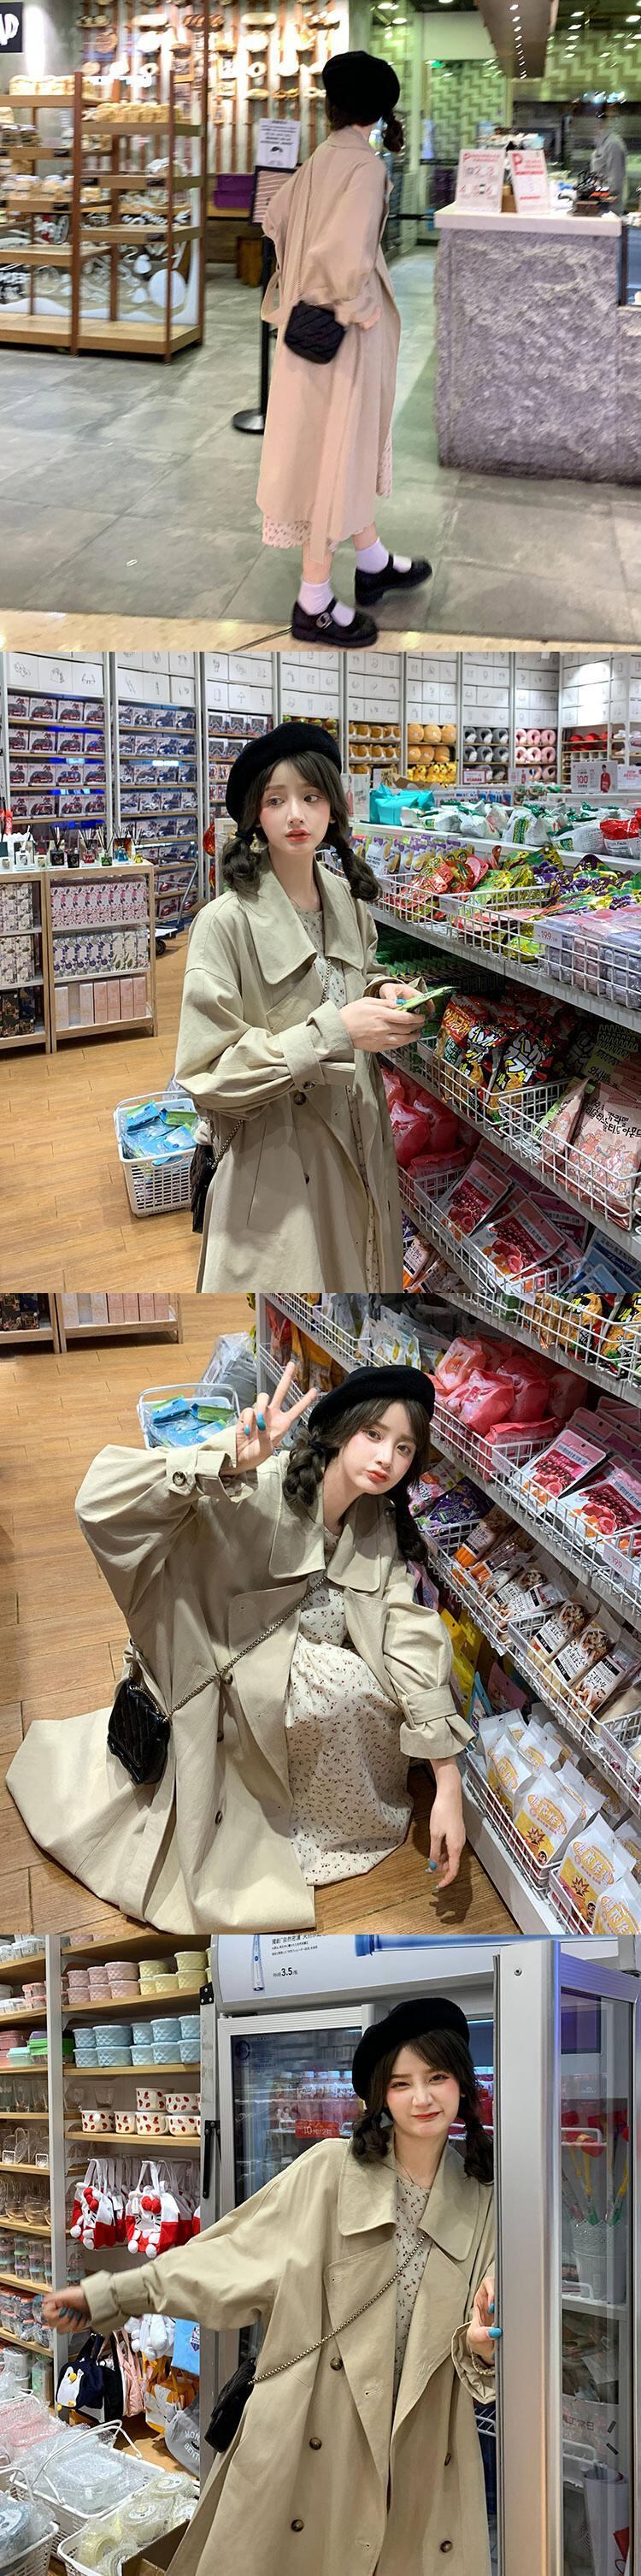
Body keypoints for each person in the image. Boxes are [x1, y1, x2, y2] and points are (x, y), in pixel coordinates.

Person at [43, 1995, 497, 2576]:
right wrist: (110, 2296)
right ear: (381, 2095)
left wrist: (482, 2346)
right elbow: (227, 2258)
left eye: (436, 2078)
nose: (423, 2098)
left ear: (461, 2082)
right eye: (402, 2083)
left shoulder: (482, 2198)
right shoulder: (330, 2171)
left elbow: (477, 2336)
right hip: (314, 2429)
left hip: (420, 2450)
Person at [6, 1367, 470, 1935]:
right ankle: (275, 1826)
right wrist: (222, 1457)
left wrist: (446, 1775)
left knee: (385, 1682)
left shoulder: (376, 1519)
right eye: (372, 1434)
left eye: (403, 1447)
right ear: (341, 1429)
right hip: (221, 1663)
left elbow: (406, 1630)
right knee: (348, 1690)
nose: (385, 1458)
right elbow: (100, 1504)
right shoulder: (266, 1482)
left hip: (291, 1656)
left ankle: (314, 1817)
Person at [174, 721, 428, 1294]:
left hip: (362, 1141)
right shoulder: (224, 924)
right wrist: (334, 1034)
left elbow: (354, 976)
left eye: (311, 796)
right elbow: (206, 1071)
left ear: (333, 807)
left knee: (366, 1293)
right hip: (277, 1162)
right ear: (255, 815)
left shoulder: (346, 899)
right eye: (276, 800)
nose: (296, 815)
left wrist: (383, 993)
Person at [256, 50, 432, 648]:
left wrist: (300, 286)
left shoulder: (319, 160)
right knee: (335, 458)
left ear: (332, 105)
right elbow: (345, 257)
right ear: (379, 112)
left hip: (305, 334)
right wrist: (357, 305)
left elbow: (275, 218)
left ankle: (373, 561)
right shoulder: (365, 168)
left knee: (333, 452)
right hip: (341, 342)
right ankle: (313, 602)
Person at [591, 102, 627, 215]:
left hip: (609, 211)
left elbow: (615, 185)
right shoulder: (601, 143)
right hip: (599, 208)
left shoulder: (612, 144)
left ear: (600, 123)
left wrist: (590, 193)